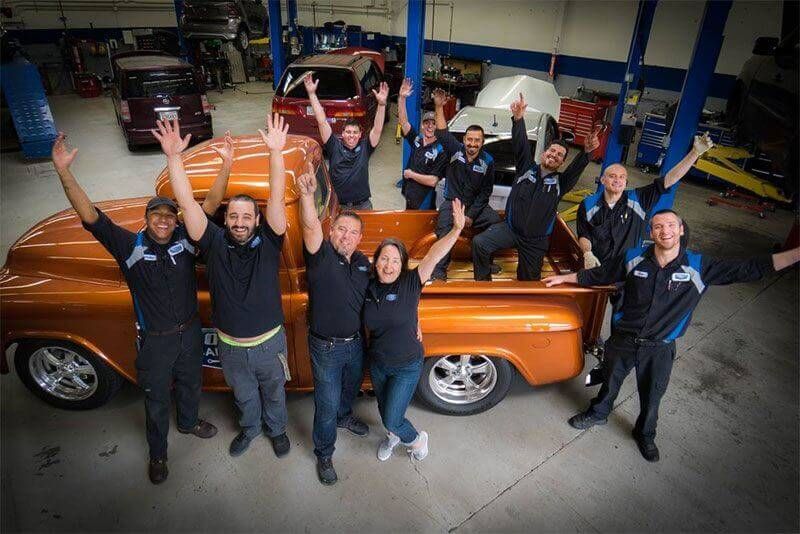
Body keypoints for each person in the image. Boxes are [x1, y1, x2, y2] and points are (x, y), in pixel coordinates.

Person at [543, 209, 800, 462]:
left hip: (660, 348)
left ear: (681, 229)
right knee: (610, 381)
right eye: (658, 226)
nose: (664, 230)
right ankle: (598, 413)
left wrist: (795, 254)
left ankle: (645, 433)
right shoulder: (633, 258)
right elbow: (601, 274)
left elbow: (750, 268)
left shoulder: (699, 266)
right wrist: (568, 279)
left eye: (670, 225)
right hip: (623, 340)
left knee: (652, 395)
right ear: (651, 232)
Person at [52, 130, 235, 484]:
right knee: (155, 401)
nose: (164, 220)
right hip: (155, 341)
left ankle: (188, 422)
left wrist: (226, 165)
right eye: (157, 215)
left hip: (190, 333)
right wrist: (63, 172)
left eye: (170, 215)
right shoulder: (127, 246)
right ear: (147, 218)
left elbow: (210, 204)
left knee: (191, 385)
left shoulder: (185, 236)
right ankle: (158, 454)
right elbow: (90, 215)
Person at [153, 115, 291, 459]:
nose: (240, 222)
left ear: (257, 221)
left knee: (275, 393)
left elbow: (275, 197)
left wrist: (276, 153)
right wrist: (173, 158)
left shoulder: (270, 240)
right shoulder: (212, 242)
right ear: (225, 219)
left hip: (269, 344)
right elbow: (186, 204)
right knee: (243, 396)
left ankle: (277, 430)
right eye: (233, 216)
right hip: (229, 347)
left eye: (247, 217)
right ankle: (251, 429)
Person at [365, 198, 468, 462]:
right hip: (378, 363)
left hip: (407, 365)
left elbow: (434, 253)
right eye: (384, 259)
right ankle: (393, 436)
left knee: (392, 416)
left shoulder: (412, 281)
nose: (389, 266)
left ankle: (415, 439)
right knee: (383, 407)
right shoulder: (367, 286)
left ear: (403, 265)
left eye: (395, 261)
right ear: (375, 262)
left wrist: (456, 230)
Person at [296, 163, 371, 485]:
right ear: (331, 231)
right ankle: (324, 453)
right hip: (325, 347)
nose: (347, 236)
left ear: (359, 238)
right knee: (325, 404)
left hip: (355, 343)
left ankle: (345, 417)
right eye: (341, 229)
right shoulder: (320, 256)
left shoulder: (364, 262)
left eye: (353, 232)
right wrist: (309, 196)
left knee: (350, 389)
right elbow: (310, 227)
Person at [472, 93, 600, 281]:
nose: (554, 155)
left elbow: (576, 169)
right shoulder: (526, 168)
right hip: (510, 230)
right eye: (552, 151)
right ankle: (483, 283)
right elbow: (521, 144)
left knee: (528, 280)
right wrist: (518, 119)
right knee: (479, 243)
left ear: (562, 163)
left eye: (559, 155)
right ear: (543, 153)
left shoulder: (560, 183)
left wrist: (587, 152)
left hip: (536, 242)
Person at [577, 132, 715, 270]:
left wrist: (694, 153)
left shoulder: (638, 199)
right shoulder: (588, 204)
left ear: (626, 182)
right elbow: (584, 234)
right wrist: (587, 253)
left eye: (622, 177)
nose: (617, 180)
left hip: (628, 270)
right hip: (597, 267)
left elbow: (669, 180)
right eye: (612, 176)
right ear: (602, 180)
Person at [431, 89, 501, 280]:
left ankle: (486, 261)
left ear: (482, 142)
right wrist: (439, 106)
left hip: (474, 207)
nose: (472, 143)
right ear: (464, 140)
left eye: (477, 140)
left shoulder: (488, 161)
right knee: (444, 230)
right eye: (469, 139)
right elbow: (443, 132)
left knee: (495, 222)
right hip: (451, 203)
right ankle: (439, 273)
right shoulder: (455, 150)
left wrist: (470, 215)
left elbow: (486, 191)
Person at [304, 73, 389, 210]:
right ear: (342, 134)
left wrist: (381, 104)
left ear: (360, 134)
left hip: (363, 205)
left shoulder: (366, 147)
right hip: (338, 206)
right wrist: (312, 94)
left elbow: (377, 129)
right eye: (348, 132)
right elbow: (321, 120)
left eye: (355, 132)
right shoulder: (333, 146)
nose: (351, 135)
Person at [397, 78, 447, 209]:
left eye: (433, 123)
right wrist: (402, 98)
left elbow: (433, 181)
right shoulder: (417, 140)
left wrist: (411, 175)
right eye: (426, 123)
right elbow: (403, 122)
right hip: (410, 196)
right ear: (422, 126)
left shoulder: (441, 150)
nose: (430, 127)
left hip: (425, 201)